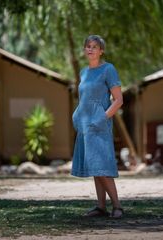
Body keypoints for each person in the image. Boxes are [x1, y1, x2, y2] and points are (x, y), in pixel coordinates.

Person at [71, 35, 124, 218]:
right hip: (85, 126)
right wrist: (76, 115)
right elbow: (83, 98)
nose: (90, 49)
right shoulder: (84, 72)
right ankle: (101, 207)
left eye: (95, 46)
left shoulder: (108, 69)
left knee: (102, 167)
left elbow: (118, 100)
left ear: (101, 51)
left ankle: (117, 206)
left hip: (100, 125)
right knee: (94, 167)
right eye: (88, 46)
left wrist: (102, 117)